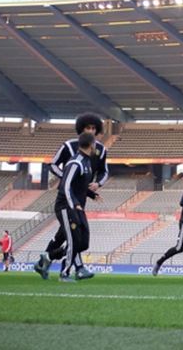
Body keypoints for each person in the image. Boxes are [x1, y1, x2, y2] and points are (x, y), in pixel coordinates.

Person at [36, 113, 108, 276]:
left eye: (93, 128)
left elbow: (104, 172)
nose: (90, 130)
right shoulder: (69, 146)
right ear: (81, 129)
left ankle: (44, 261)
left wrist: (97, 184)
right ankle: (76, 268)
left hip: (82, 197)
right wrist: (67, 175)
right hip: (67, 198)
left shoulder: (101, 150)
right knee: (74, 236)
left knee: (63, 236)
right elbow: (53, 165)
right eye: (87, 128)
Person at [43, 132, 97, 282]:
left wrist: (91, 195)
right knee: (73, 240)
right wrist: (75, 204)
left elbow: (79, 186)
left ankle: (48, 256)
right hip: (66, 206)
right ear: (91, 145)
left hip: (76, 207)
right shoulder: (76, 162)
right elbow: (65, 187)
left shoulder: (86, 162)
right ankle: (65, 273)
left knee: (83, 242)